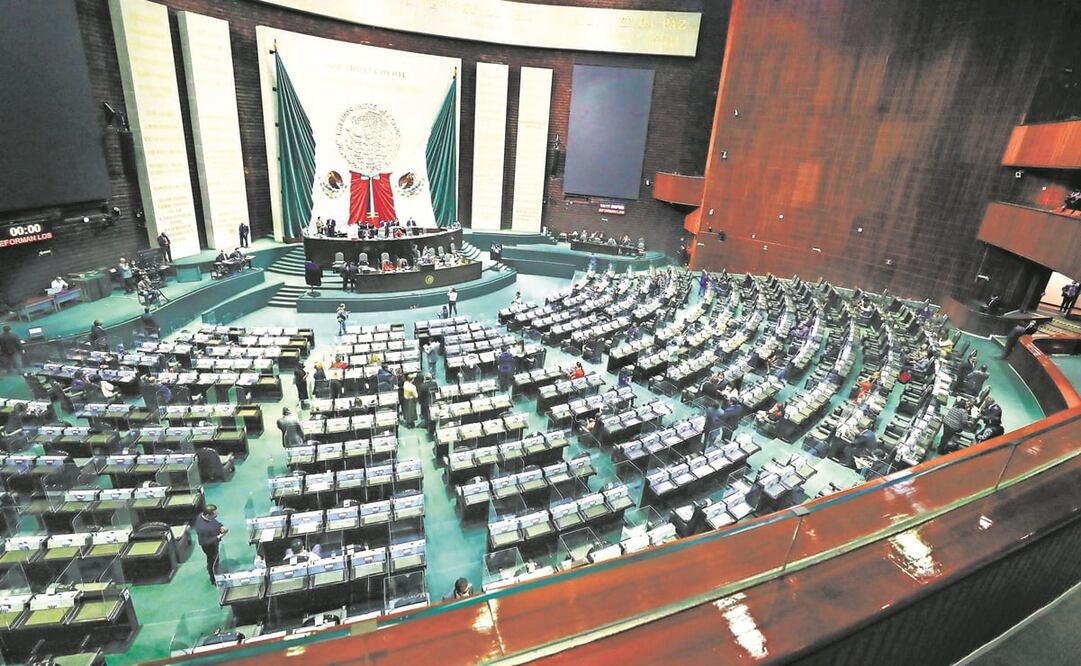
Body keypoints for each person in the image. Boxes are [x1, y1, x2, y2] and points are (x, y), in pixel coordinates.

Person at [194, 505, 227, 584]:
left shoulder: (207, 517)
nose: (216, 515)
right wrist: (219, 537)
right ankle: (214, 579)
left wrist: (220, 526)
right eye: (214, 514)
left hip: (214, 542)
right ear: (208, 515)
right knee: (212, 561)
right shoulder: (202, 527)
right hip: (209, 547)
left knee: (216, 558)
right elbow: (204, 542)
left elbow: (214, 522)